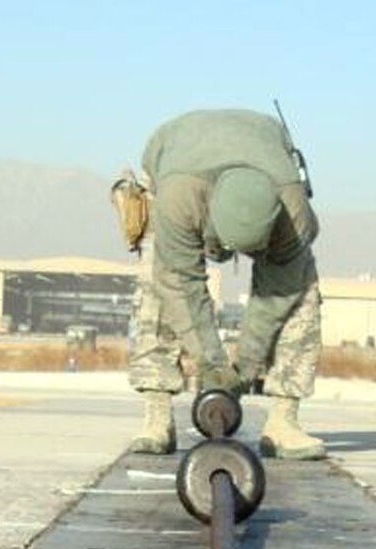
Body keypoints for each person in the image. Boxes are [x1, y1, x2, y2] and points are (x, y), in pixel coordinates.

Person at [114, 108, 324, 459]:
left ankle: (284, 422)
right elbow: (181, 285)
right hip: (180, 168)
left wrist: (245, 367)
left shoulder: (293, 210)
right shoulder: (179, 201)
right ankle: (157, 416)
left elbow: (278, 293)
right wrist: (212, 363)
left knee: (302, 294)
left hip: (266, 167)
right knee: (157, 285)